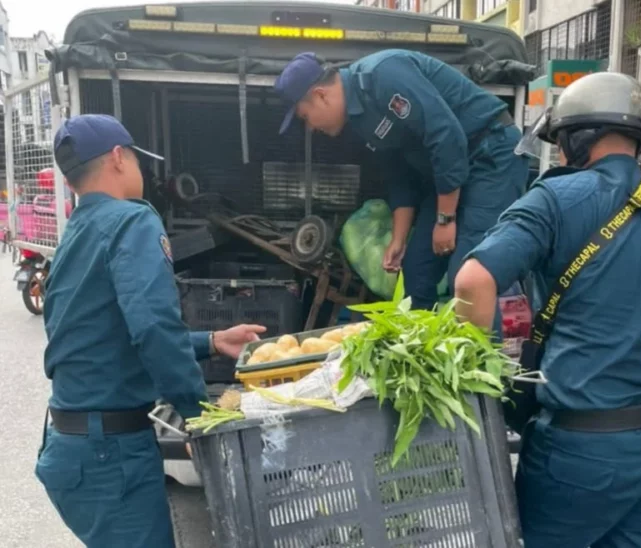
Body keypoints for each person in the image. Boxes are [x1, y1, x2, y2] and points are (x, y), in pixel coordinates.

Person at [453, 72, 641, 547]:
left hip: (580, 451)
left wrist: (474, 379)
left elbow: (474, 280)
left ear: (576, 139)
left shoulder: (554, 198)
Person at [35, 114, 266, 548]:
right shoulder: (131, 221)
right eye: (140, 162)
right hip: (111, 456)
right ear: (119, 158)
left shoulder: (75, 236)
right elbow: (154, 329)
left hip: (71, 449)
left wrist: (212, 341)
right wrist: (201, 419)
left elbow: (108, 333)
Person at [275, 49, 529, 332]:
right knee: (417, 269)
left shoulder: (383, 75)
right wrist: (398, 239)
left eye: (305, 117)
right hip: (447, 173)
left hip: (490, 155)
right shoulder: (359, 119)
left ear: (321, 95)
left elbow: (446, 136)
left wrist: (445, 219)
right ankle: (420, 363)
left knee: (468, 274)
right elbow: (400, 173)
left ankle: (482, 372)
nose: (310, 128)